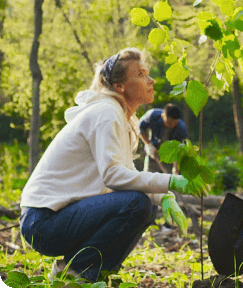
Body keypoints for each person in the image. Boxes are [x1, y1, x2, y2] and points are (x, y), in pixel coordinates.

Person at [19, 48, 208, 282]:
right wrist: (170, 181)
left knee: (146, 204)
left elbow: (125, 175)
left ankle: (95, 275)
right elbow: (113, 176)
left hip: (57, 218)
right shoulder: (106, 113)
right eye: (140, 74)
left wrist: (162, 196)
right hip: (43, 222)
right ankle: (74, 276)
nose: (151, 80)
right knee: (136, 203)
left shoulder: (120, 116)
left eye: (147, 73)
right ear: (120, 86)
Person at [138, 103, 187, 173]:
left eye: (175, 122)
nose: (172, 125)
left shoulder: (181, 128)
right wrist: (149, 144)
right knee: (149, 180)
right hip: (153, 154)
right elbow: (140, 127)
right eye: (169, 122)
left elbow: (179, 149)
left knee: (169, 180)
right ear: (163, 116)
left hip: (170, 159)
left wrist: (175, 168)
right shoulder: (153, 116)